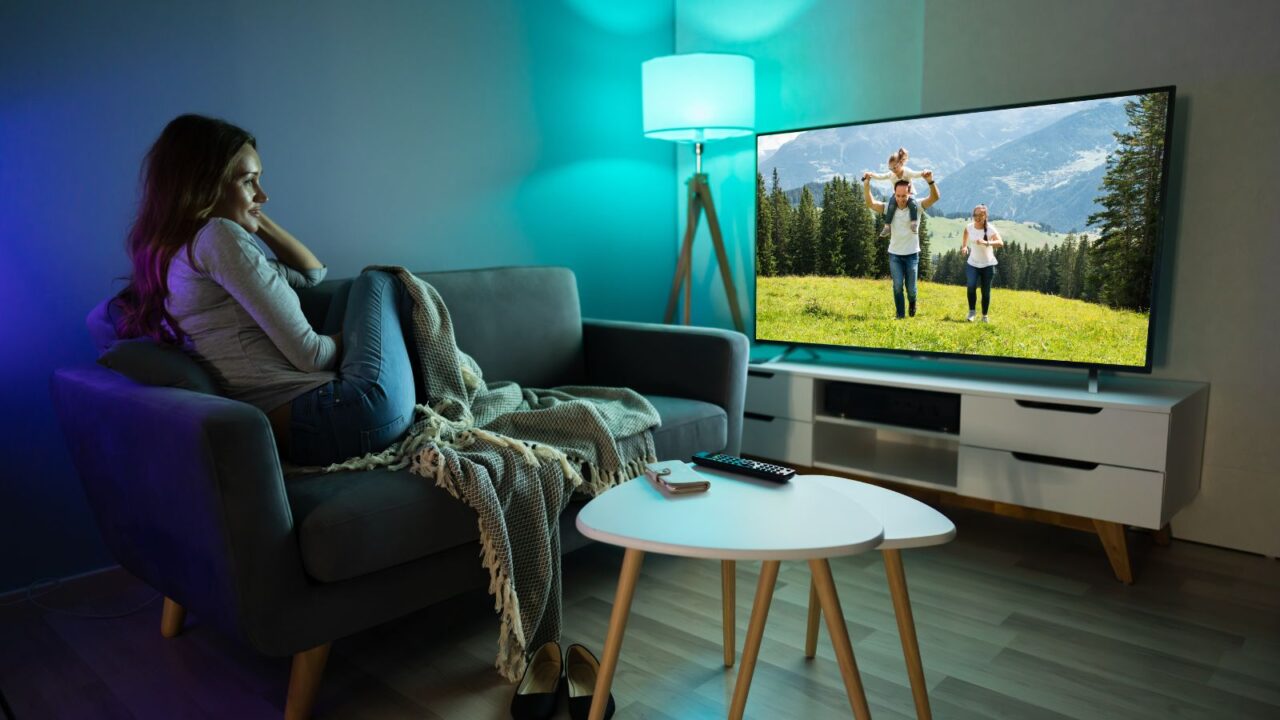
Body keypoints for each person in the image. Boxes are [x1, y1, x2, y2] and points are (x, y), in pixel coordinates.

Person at [115, 114, 417, 466]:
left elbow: (311, 273)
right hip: (336, 420)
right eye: (249, 181)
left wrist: (252, 212)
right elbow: (312, 357)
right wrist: (364, 335)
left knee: (351, 291)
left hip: (304, 429)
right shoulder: (219, 237)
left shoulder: (178, 251)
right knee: (378, 281)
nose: (263, 194)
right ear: (204, 185)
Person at [862, 170, 940, 319]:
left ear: (910, 193)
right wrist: (867, 185)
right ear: (894, 193)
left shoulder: (916, 206)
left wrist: (930, 181)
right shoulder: (888, 207)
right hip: (895, 255)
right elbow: (870, 203)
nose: (901, 199)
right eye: (898, 196)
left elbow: (935, 197)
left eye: (904, 196)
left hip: (912, 255)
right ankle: (900, 316)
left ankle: (912, 302)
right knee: (897, 286)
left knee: (911, 289)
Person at [865, 147, 931, 237]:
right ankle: (887, 226)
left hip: (909, 193)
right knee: (891, 206)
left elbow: (916, 174)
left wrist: (924, 172)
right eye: (890, 168)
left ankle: (914, 223)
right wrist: (871, 175)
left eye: (895, 167)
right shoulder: (891, 174)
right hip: (897, 195)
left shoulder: (907, 172)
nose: (893, 170)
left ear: (901, 163)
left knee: (912, 204)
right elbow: (881, 176)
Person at [960, 204, 1003, 322]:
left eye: (980, 215)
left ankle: (984, 316)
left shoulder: (990, 229)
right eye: (975, 215)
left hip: (988, 265)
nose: (977, 217)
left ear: (985, 216)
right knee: (971, 287)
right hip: (972, 263)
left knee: (985, 291)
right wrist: (964, 246)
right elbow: (965, 233)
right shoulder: (969, 227)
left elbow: (1000, 243)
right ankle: (972, 313)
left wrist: (986, 242)